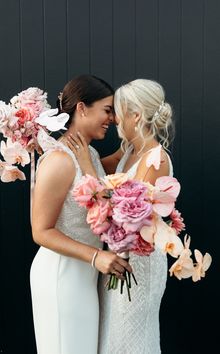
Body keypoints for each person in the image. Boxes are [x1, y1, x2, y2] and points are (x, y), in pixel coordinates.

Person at [67, 78, 174, 354]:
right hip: (118, 259)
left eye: (119, 111)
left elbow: (120, 212)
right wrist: (62, 152)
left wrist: (86, 164)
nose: (113, 119)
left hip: (139, 265)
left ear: (136, 115)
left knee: (130, 340)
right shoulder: (129, 151)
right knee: (112, 337)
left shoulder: (156, 160)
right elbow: (90, 168)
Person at [30, 74, 132, 354]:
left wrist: (142, 129)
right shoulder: (60, 160)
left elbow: (123, 161)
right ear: (82, 108)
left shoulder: (91, 155)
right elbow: (40, 231)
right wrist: (97, 256)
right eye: (108, 110)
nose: (111, 119)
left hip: (84, 277)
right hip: (61, 276)